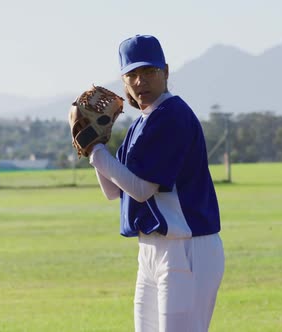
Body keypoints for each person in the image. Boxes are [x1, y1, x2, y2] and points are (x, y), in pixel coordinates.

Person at [88, 34, 225, 332]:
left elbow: (141, 190)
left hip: (187, 247)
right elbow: (114, 191)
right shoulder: (142, 121)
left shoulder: (171, 115)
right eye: (132, 74)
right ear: (123, 81)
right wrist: (96, 144)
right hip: (151, 250)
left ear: (165, 71)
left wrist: (95, 150)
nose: (140, 82)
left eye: (149, 72)